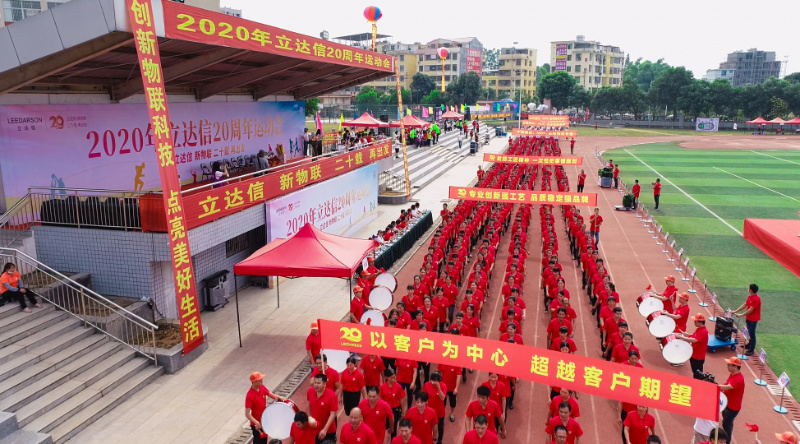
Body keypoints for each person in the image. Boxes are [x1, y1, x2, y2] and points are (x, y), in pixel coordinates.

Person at [245, 371, 286, 444]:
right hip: (257, 424)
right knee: (258, 441)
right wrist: (256, 422)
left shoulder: (262, 387)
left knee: (264, 440)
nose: (262, 381)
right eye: (260, 380)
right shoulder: (249, 395)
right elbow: (247, 414)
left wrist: (279, 397)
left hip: (264, 421)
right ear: (254, 381)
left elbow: (270, 394)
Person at [718, 357, 745, 443]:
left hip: (732, 407)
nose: (727, 366)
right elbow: (726, 384)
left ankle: (727, 442)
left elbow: (727, 387)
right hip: (728, 403)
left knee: (727, 425)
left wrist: (716, 386)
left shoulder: (739, 379)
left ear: (735, 367)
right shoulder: (732, 375)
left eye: (729, 365)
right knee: (726, 423)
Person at [307, 373, 339, 444]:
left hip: (328, 431)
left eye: (318, 383)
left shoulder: (332, 396)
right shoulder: (310, 391)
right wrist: (310, 419)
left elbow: (333, 414)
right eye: (315, 383)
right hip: (314, 430)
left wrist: (325, 430)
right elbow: (310, 405)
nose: (316, 385)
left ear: (325, 384)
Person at [732, 283, 761, 356]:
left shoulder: (756, 299)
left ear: (751, 290)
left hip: (753, 319)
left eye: (749, 288)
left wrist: (741, 315)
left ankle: (752, 350)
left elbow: (751, 310)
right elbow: (744, 305)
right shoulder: (750, 297)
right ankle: (749, 344)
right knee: (749, 332)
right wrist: (735, 311)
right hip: (749, 318)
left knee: (752, 334)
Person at [678, 313, 709, 378]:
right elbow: (695, 336)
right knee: (695, 372)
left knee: (698, 374)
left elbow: (695, 340)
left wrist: (682, 337)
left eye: (695, 321)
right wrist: (687, 335)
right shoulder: (700, 329)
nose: (694, 322)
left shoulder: (703, 331)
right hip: (694, 354)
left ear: (700, 322)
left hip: (698, 357)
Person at [423, 371, 447, 444]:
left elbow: (442, 398)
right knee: (428, 425)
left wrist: (438, 388)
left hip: (439, 411)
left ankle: (439, 440)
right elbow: (424, 397)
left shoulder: (443, 386)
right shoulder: (427, 385)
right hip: (429, 410)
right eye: (432, 380)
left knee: (440, 426)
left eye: (436, 381)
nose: (433, 382)